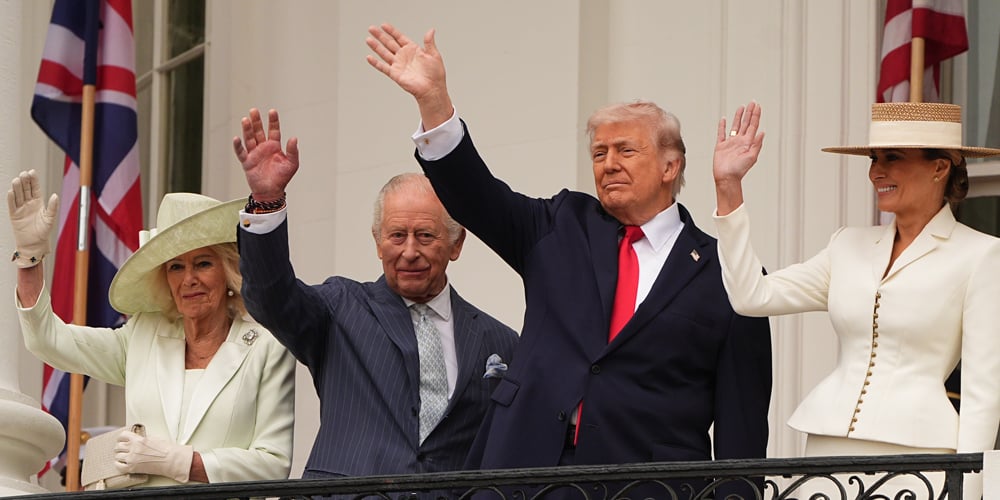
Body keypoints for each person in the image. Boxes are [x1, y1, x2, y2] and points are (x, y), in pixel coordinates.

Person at [366, 24, 772, 498]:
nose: (608, 163)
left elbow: (742, 426)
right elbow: (477, 196)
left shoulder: (728, 274)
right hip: (523, 475)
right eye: (599, 152)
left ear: (670, 166)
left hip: (647, 486)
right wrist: (434, 102)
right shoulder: (561, 225)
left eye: (626, 150)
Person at [712, 101, 1000, 499]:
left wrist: (970, 490)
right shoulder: (847, 245)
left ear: (940, 167)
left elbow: (984, 393)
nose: (876, 171)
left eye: (892, 158)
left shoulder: (981, 255)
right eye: (873, 158)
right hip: (827, 453)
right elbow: (751, 296)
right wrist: (729, 188)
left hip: (921, 458)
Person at [231, 108, 519, 480]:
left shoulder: (500, 341)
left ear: (456, 243)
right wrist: (267, 201)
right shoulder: (339, 310)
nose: (410, 251)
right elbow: (270, 297)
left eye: (425, 236)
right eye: (397, 236)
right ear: (378, 242)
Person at [8, 171, 296, 487]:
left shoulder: (268, 348)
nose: (189, 279)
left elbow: (273, 464)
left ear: (228, 270)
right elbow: (48, 340)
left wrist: (179, 462)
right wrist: (29, 259)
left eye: (203, 263)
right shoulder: (142, 336)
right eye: (176, 267)